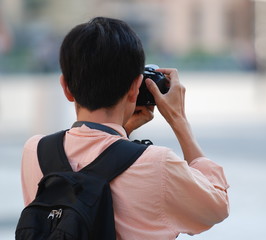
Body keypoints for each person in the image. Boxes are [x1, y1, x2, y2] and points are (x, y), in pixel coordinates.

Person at [21, 17, 229, 239]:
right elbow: (217, 205)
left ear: (66, 88)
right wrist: (179, 120)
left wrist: (123, 134)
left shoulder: (35, 151)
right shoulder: (158, 164)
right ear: (135, 88)